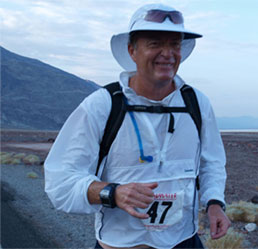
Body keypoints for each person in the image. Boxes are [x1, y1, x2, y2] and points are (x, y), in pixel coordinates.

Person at [44, 3, 230, 249]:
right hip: (119, 245)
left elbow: (212, 162)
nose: (168, 53)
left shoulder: (196, 103)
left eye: (175, 44)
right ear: (132, 50)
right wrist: (112, 192)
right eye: (155, 43)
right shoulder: (103, 105)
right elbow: (61, 181)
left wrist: (215, 203)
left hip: (184, 241)